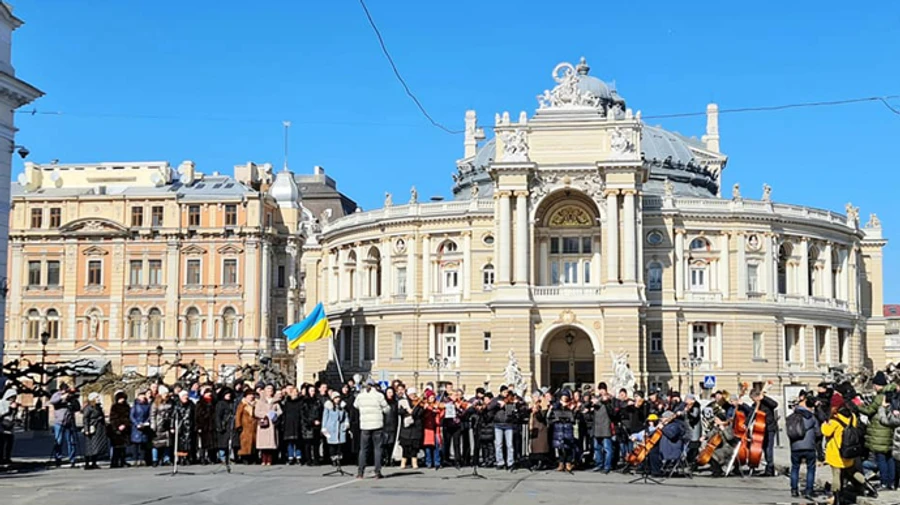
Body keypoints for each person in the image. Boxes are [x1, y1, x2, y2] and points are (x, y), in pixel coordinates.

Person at [822, 394, 877, 504]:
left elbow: (826, 432)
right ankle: (870, 487)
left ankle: (837, 498)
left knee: (836, 475)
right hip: (849, 450)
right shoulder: (851, 416)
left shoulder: (835, 419)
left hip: (837, 452)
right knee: (853, 471)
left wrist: (824, 424)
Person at [856, 371, 896, 490]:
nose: (873, 387)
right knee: (890, 458)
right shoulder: (892, 394)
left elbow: (869, 411)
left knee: (881, 458)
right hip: (889, 430)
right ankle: (892, 483)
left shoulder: (880, 397)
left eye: (874, 385)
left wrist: (858, 406)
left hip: (880, 431)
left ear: (878, 385)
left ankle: (884, 482)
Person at [355, 379, 390, 478]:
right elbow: (387, 409)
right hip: (377, 424)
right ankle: (377, 472)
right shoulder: (379, 396)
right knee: (378, 449)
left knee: (363, 449)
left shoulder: (360, 396)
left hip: (365, 425)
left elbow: (355, 405)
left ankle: (360, 472)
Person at [789, 394, 819, 499]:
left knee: (795, 468)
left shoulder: (792, 417)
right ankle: (809, 490)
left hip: (795, 446)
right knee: (810, 468)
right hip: (809, 446)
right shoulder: (812, 417)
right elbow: (818, 432)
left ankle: (794, 490)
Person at [748, 388, 779, 477]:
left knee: (769, 449)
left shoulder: (767, 403)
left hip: (769, 428)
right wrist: (746, 424)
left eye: (753, 398)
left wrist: (764, 398)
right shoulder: (755, 405)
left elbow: (775, 404)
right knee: (765, 448)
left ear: (757, 397)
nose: (753, 400)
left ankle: (770, 468)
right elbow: (751, 415)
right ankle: (767, 466)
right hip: (760, 430)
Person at [50, 383, 80, 467]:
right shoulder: (57, 395)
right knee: (58, 441)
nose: (65, 392)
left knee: (71, 441)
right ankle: (58, 458)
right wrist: (61, 397)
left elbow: (77, 407)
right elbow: (52, 401)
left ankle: (72, 459)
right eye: (63, 390)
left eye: (66, 390)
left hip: (69, 422)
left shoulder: (70, 396)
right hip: (59, 422)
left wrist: (71, 399)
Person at [548, 390, 577, 472]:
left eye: (566, 396)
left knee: (568, 446)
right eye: (564, 396)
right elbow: (551, 415)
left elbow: (574, 418)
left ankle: (568, 462)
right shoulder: (557, 405)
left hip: (567, 428)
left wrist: (572, 410)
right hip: (559, 428)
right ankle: (561, 463)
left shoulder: (571, 405)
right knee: (560, 447)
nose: (565, 397)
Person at [489, 386, 516, 470]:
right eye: (504, 392)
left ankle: (510, 462)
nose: (506, 394)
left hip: (508, 424)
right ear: (501, 392)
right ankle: (500, 462)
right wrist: (498, 404)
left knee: (509, 445)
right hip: (498, 424)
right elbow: (489, 407)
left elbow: (512, 411)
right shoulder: (496, 399)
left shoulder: (510, 399)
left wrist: (508, 405)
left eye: (507, 392)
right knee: (498, 444)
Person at [590, 383, 615, 473]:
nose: (601, 391)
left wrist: (607, 402)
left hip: (605, 427)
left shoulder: (610, 399)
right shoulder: (597, 398)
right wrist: (591, 404)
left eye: (603, 389)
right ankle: (599, 464)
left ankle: (607, 466)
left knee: (607, 448)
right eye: (600, 389)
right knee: (597, 448)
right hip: (597, 427)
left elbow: (612, 413)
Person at [255, 385, 281, 466]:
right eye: (268, 390)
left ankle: (269, 460)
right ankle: (263, 459)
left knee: (270, 443)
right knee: (263, 444)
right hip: (263, 424)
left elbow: (280, 411)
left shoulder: (275, 401)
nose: (270, 391)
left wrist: (274, 414)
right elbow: (256, 412)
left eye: (271, 390)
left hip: (272, 425)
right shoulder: (260, 401)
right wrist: (265, 414)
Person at [398, 387, 424, 469]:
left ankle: (414, 462)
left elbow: (420, 414)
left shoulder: (419, 403)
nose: (413, 396)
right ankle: (403, 462)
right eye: (411, 394)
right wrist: (406, 411)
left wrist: (416, 410)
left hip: (416, 427)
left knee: (414, 447)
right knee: (405, 446)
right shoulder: (403, 402)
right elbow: (399, 411)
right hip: (406, 428)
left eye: (414, 394)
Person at [321, 390, 349, 466]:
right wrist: (324, 427)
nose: (337, 399)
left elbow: (346, 416)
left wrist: (346, 424)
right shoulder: (328, 407)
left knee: (340, 445)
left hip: (340, 428)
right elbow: (325, 417)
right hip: (331, 428)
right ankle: (333, 459)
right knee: (332, 445)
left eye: (338, 398)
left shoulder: (342, 407)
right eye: (336, 398)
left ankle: (339, 459)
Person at [82, 392, 108, 470]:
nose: (98, 399)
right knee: (90, 446)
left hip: (99, 428)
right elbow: (85, 419)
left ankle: (94, 462)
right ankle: (87, 463)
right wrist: (87, 429)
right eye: (96, 398)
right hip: (92, 428)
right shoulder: (89, 408)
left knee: (97, 446)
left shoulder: (98, 407)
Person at [150, 385, 174, 466]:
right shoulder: (155, 404)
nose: (166, 395)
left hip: (167, 425)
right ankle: (155, 459)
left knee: (167, 443)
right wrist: (153, 425)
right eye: (165, 394)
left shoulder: (170, 402)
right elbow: (152, 415)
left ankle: (166, 459)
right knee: (156, 443)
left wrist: (171, 425)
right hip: (158, 425)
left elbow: (172, 414)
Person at [109, 391, 132, 468]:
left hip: (125, 428)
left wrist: (125, 424)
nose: (122, 400)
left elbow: (128, 417)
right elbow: (113, 418)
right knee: (116, 447)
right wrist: (117, 426)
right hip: (116, 429)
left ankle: (123, 461)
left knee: (123, 447)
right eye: (120, 398)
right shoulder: (114, 407)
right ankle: (114, 462)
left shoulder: (127, 406)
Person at [130, 389, 153, 466]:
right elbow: (132, 416)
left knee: (143, 444)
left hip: (144, 426)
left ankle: (142, 459)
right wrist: (137, 424)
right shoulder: (135, 406)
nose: (143, 397)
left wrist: (146, 423)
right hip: (136, 427)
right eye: (141, 396)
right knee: (136, 444)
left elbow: (149, 415)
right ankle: (135, 459)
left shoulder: (147, 406)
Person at [422, 389, 444, 469]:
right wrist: (429, 409)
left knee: (437, 446)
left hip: (436, 428)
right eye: (431, 397)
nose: (433, 398)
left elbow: (442, 415)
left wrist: (438, 410)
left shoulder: (437, 405)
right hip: (428, 428)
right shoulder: (426, 406)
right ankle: (428, 462)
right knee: (428, 446)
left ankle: (437, 462)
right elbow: (423, 416)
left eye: (433, 397)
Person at [173, 390, 196, 465]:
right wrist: (172, 427)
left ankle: (188, 458)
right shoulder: (177, 405)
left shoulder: (191, 405)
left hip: (189, 426)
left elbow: (194, 416)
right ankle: (181, 458)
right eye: (184, 396)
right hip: (180, 427)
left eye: (186, 396)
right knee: (180, 444)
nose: (186, 397)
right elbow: (173, 417)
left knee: (189, 443)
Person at [301, 384, 322, 465]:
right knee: (308, 444)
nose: (312, 392)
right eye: (311, 391)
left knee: (316, 443)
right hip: (307, 426)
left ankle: (316, 459)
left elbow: (320, 412)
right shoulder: (304, 402)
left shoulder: (318, 401)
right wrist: (312, 421)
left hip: (317, 425)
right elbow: (304, 415)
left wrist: (319, 420)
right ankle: (308, 459)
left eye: (313, 391)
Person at [282, 385, 303, 465]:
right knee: (290, 442)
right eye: (293, 392)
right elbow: (284, 414)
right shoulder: (287, 402)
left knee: (298, 442)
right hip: (289, 424)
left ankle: (298, 456)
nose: (295, 394)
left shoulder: (301, 402)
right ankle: (290, 457)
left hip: (298, 423)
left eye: (296, 392)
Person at [234, 390, 258, 463]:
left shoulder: (256, 404)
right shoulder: (242, 404)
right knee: (244, 443)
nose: (251, 396)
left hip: (254, 427)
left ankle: (253, 457)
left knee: (254, 443)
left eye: (252, 395)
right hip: (245, 427)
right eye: (249, 395)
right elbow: (238, 415)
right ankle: (244, 457)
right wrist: (238, 425)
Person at [529, 392, 551, 470]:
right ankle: (535, 462)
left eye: (535, 397)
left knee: (541, 446)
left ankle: (543, 462)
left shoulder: (544, 404)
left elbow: (542, 417)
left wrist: (537, 411)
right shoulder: (532, 405)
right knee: (534, 446)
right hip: (534, 428)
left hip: (541, 428)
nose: (533, 398)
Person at [195, 387, 216, 464]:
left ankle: (211, 458)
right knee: (203, 443)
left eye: (210, 392)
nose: (209, 394)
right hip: (203, 426)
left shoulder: (213, 402)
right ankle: (202, 458)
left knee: (211, 443)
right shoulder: (200, 403)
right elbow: (197, 416)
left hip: (211, 426)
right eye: (207, 393)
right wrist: (199, 426)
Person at [215, 388, 236, 464]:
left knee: (229, 442)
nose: (228, 395)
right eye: (227, 394)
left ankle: (229, 457)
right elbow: (218, 416)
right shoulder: (220, 403)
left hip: (230, 426)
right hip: (224, 425)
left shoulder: (232, 403)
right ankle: (222, 457)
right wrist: (219, 426)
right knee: (222, 443)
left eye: (229, 394)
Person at [382, 387, 399, 467]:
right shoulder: (383, 403)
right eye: (388, 392)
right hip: (384, 425)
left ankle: (390, 458)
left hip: (393, 425)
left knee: (391, 443)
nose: (390, 394)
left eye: (391, 392)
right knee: (385, 443)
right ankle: (385, 458)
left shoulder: (395, 403)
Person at [0, 388, 18, 465]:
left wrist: (15, 410)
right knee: (1, 444)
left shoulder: (14, 404)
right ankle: (1, 458)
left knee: (9, 444)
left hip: (10, 427)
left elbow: (15, 415)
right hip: (2, 427)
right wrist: (9, 410)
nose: (13, 399)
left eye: (14, 397)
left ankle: (7, 458)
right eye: (12, 397)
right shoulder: (1, 403)